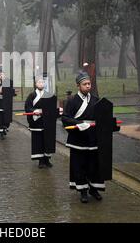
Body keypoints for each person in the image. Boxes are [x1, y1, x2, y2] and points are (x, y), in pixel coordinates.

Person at [61, 71, 104, 203]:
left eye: (89, 84)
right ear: (78, 86)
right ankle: (83, 191)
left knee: (94, 165)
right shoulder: (72, 101)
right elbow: (65, 118)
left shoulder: (96, 99)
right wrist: (79, 123)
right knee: (80, 165)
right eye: (85, 84)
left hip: (92, 139)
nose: (88, 86)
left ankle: (93, 188)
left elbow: (101, 117)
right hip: (78, 139)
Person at [25, 76, 62, 168]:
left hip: (47, 122)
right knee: (38, 141)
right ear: (35, 84)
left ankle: (47, 159)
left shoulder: (48, 94)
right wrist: (34, 111)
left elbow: (51, 108)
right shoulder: (32, 95)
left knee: (47, 140)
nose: (41, 84)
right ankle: (41, 161)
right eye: (39, 82)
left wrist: (58, 111)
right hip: (37, 121)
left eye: (42, 82)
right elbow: (27, 107)